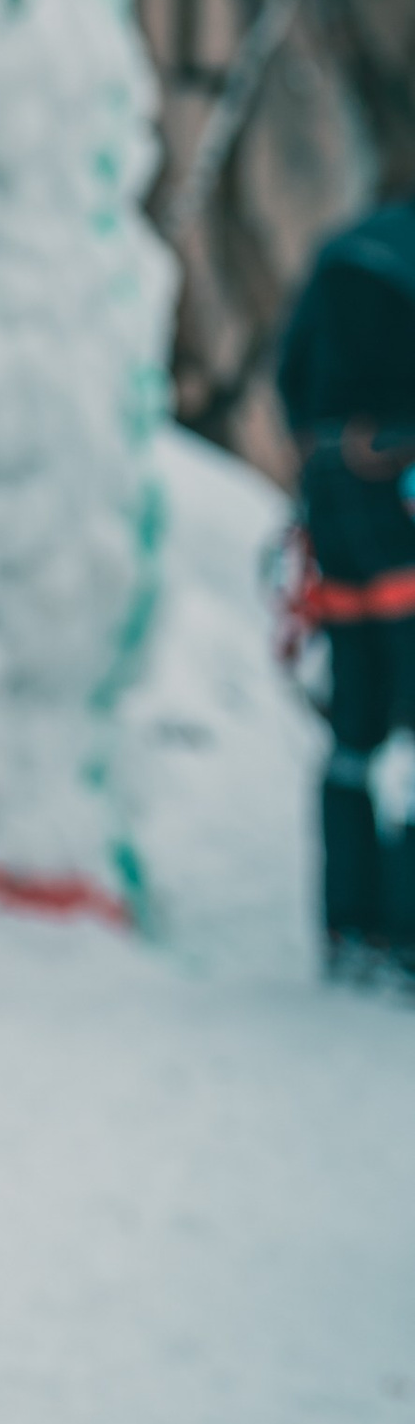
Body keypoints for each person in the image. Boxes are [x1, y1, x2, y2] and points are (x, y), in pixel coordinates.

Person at [275, 197, 415, 983]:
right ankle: (407, 935)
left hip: (334, 502)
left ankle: (349, 924)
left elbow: (291, 374)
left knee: (356, 730)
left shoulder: (349, 249)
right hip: (403, 491)